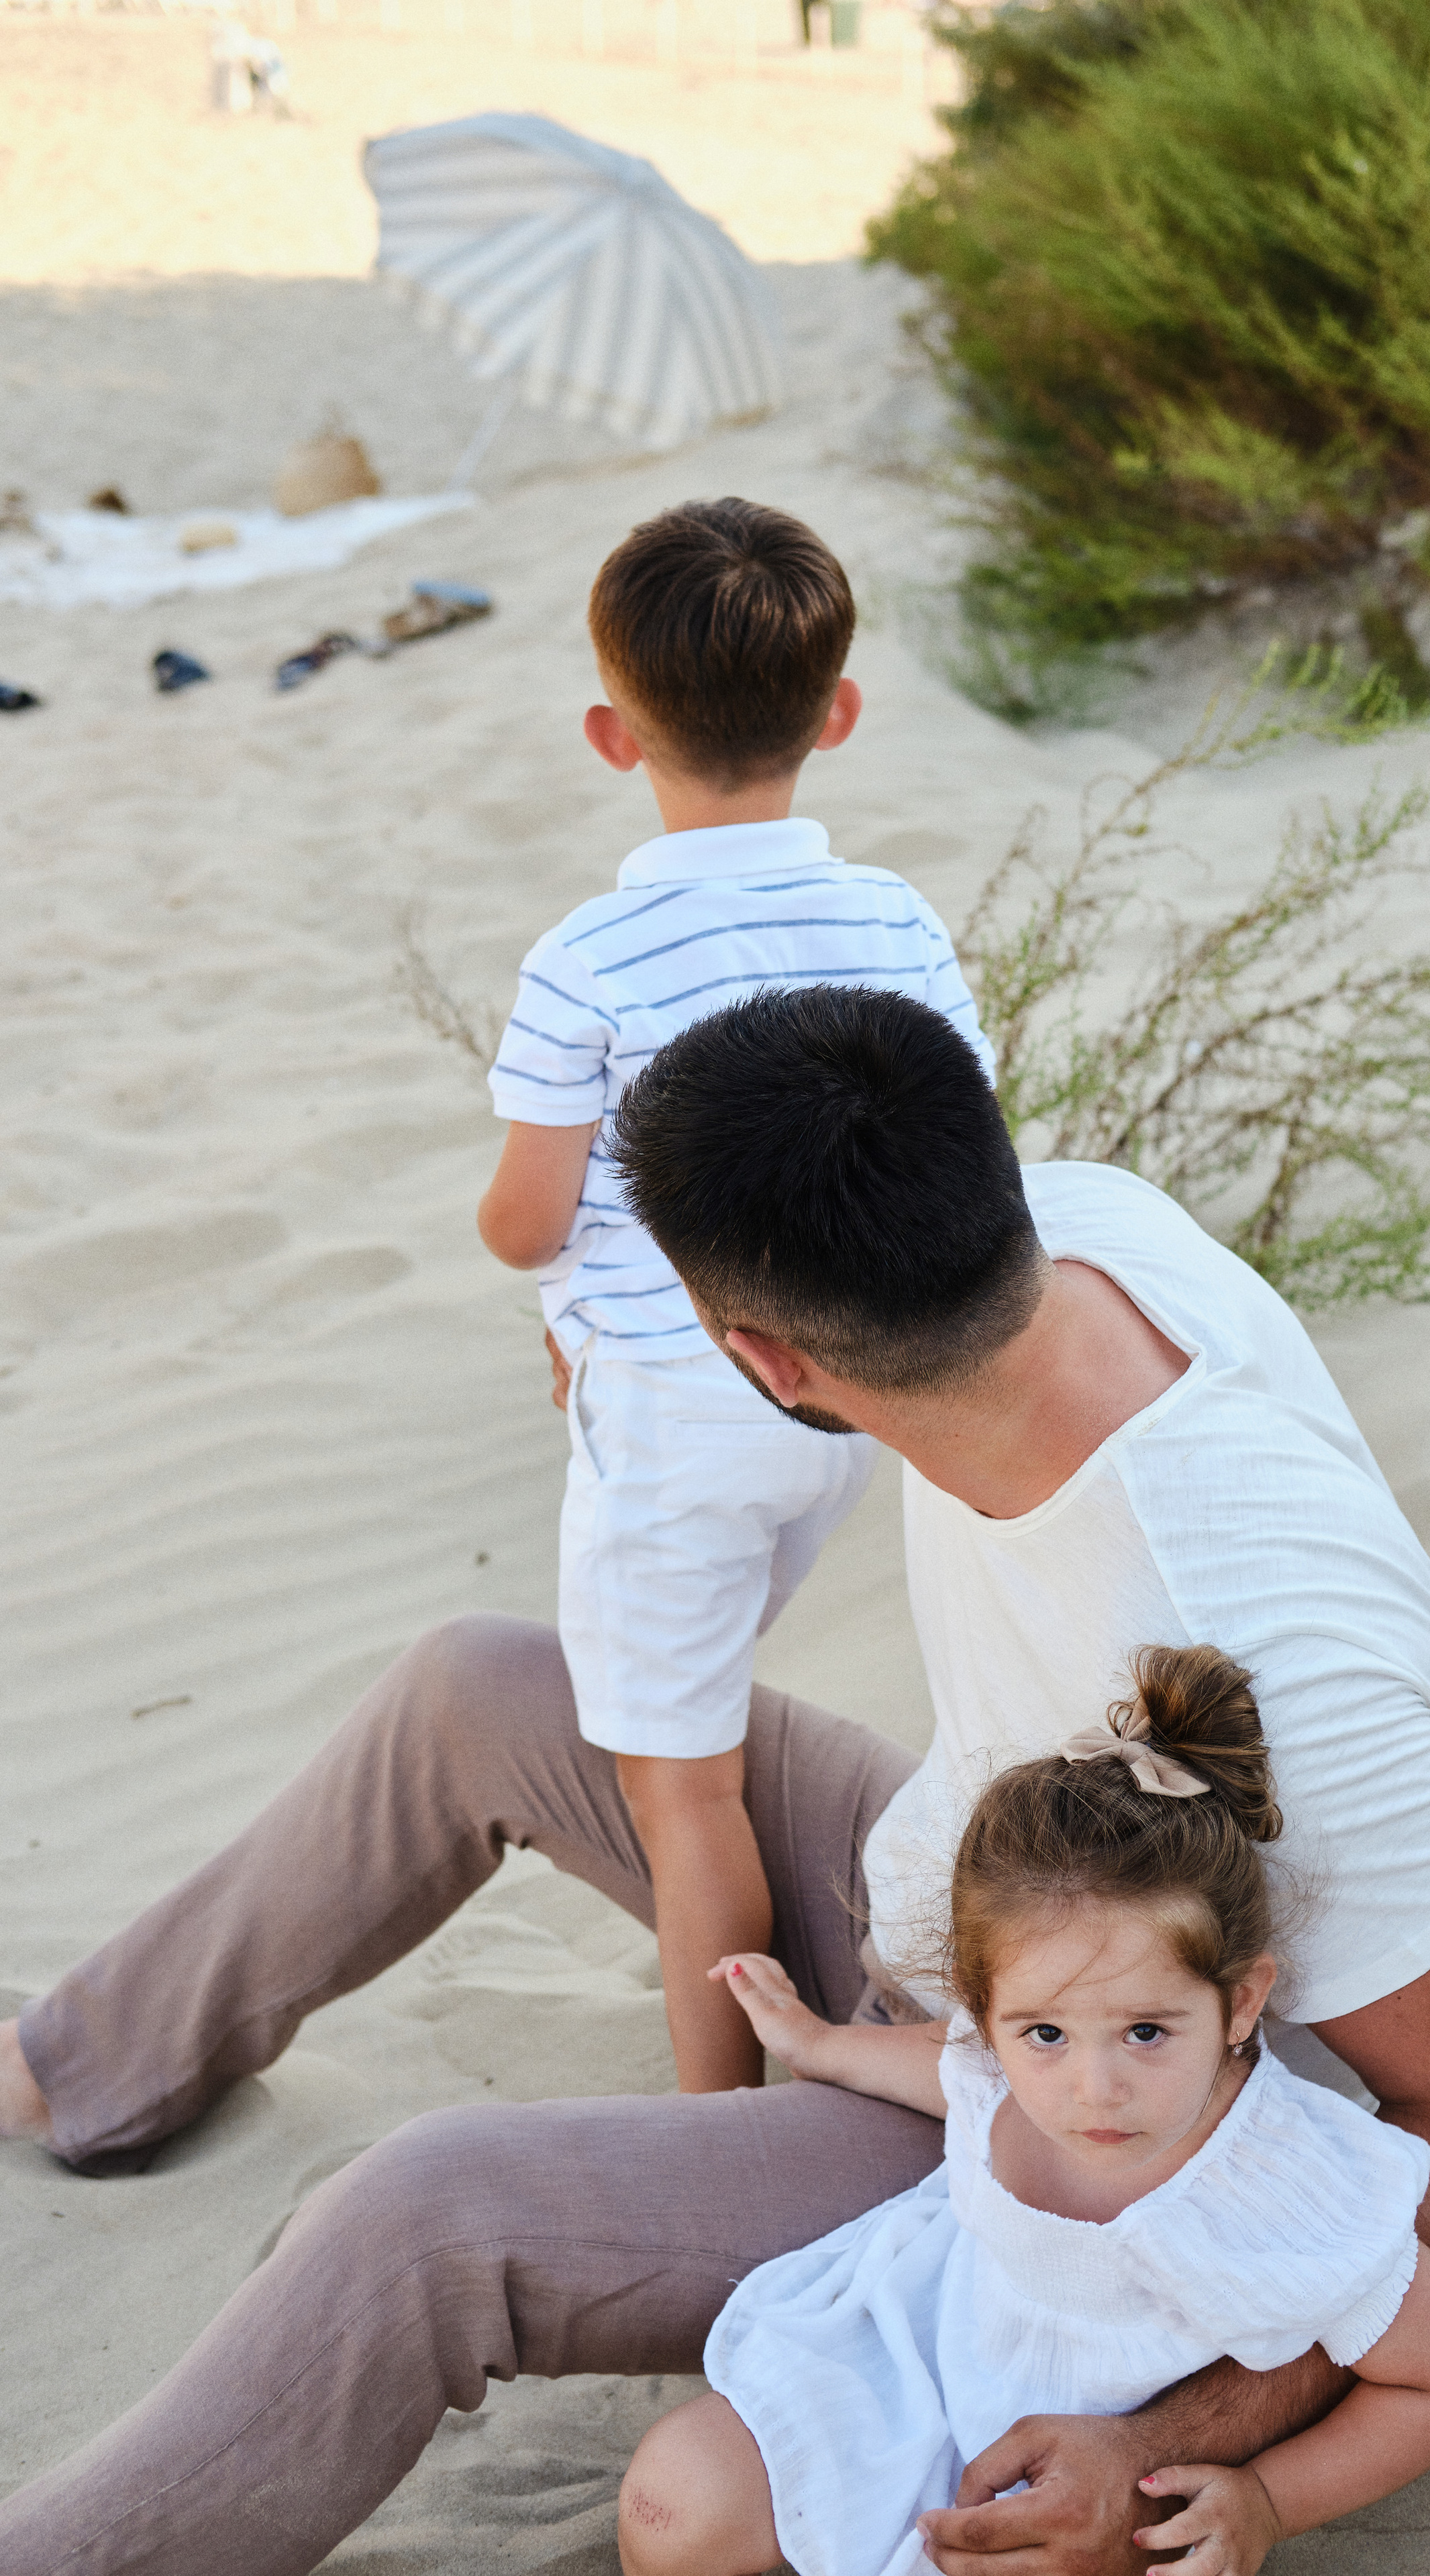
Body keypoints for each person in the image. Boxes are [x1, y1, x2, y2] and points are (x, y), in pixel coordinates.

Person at [0, 989, 1430, 2576]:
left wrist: (1162, 2447)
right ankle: (76, 2068)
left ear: (764, 1355)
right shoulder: (1074, 1232)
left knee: (421, 2215)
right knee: (476, 1687)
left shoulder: (1268, 1650)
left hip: (1068, 2116)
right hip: (978, 1894)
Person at [475, 496, 990, 2088]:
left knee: (675, 1787)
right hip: (847, 1403)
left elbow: (521, 1220)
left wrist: (548, 1270)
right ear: (834, 714)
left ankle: (717, 2122)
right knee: (696, 1703)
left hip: (677, 1420)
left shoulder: (588, 958)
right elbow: (956, 1145)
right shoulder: (894, 918)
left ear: (608, 733)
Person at [621, 1646, 1430, 2576]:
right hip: (918, 2364)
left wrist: (1271, 2500)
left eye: (1148, 2032)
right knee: (670, 2505)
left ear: (1240, 2003)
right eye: (1043, 2034)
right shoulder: (1000, 2061)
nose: (1094, 2088)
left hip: (1070, 2491)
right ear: (985, 2008)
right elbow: (954, 2073)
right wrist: (819, 2045)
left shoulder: (1279, 2180)